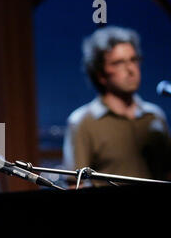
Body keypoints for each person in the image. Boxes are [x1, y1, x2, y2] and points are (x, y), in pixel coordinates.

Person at [63, 26, 171, 185]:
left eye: (134, 60)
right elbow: (75, 183)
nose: (130, 69)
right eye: (119, 62)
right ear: (100, 74)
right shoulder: (83, 121)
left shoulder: (155, 116)